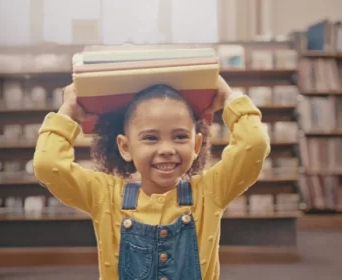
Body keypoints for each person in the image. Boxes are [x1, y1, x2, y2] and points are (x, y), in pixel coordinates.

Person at [33, 76, 270, 280]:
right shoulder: (105, 196)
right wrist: (67, 112)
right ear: (126, 147)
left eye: (179, 136)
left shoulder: (210, 192)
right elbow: (47, 164)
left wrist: (229, 96)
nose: (166, 149)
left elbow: (255, 144)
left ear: (197, 144)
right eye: (151, 138)